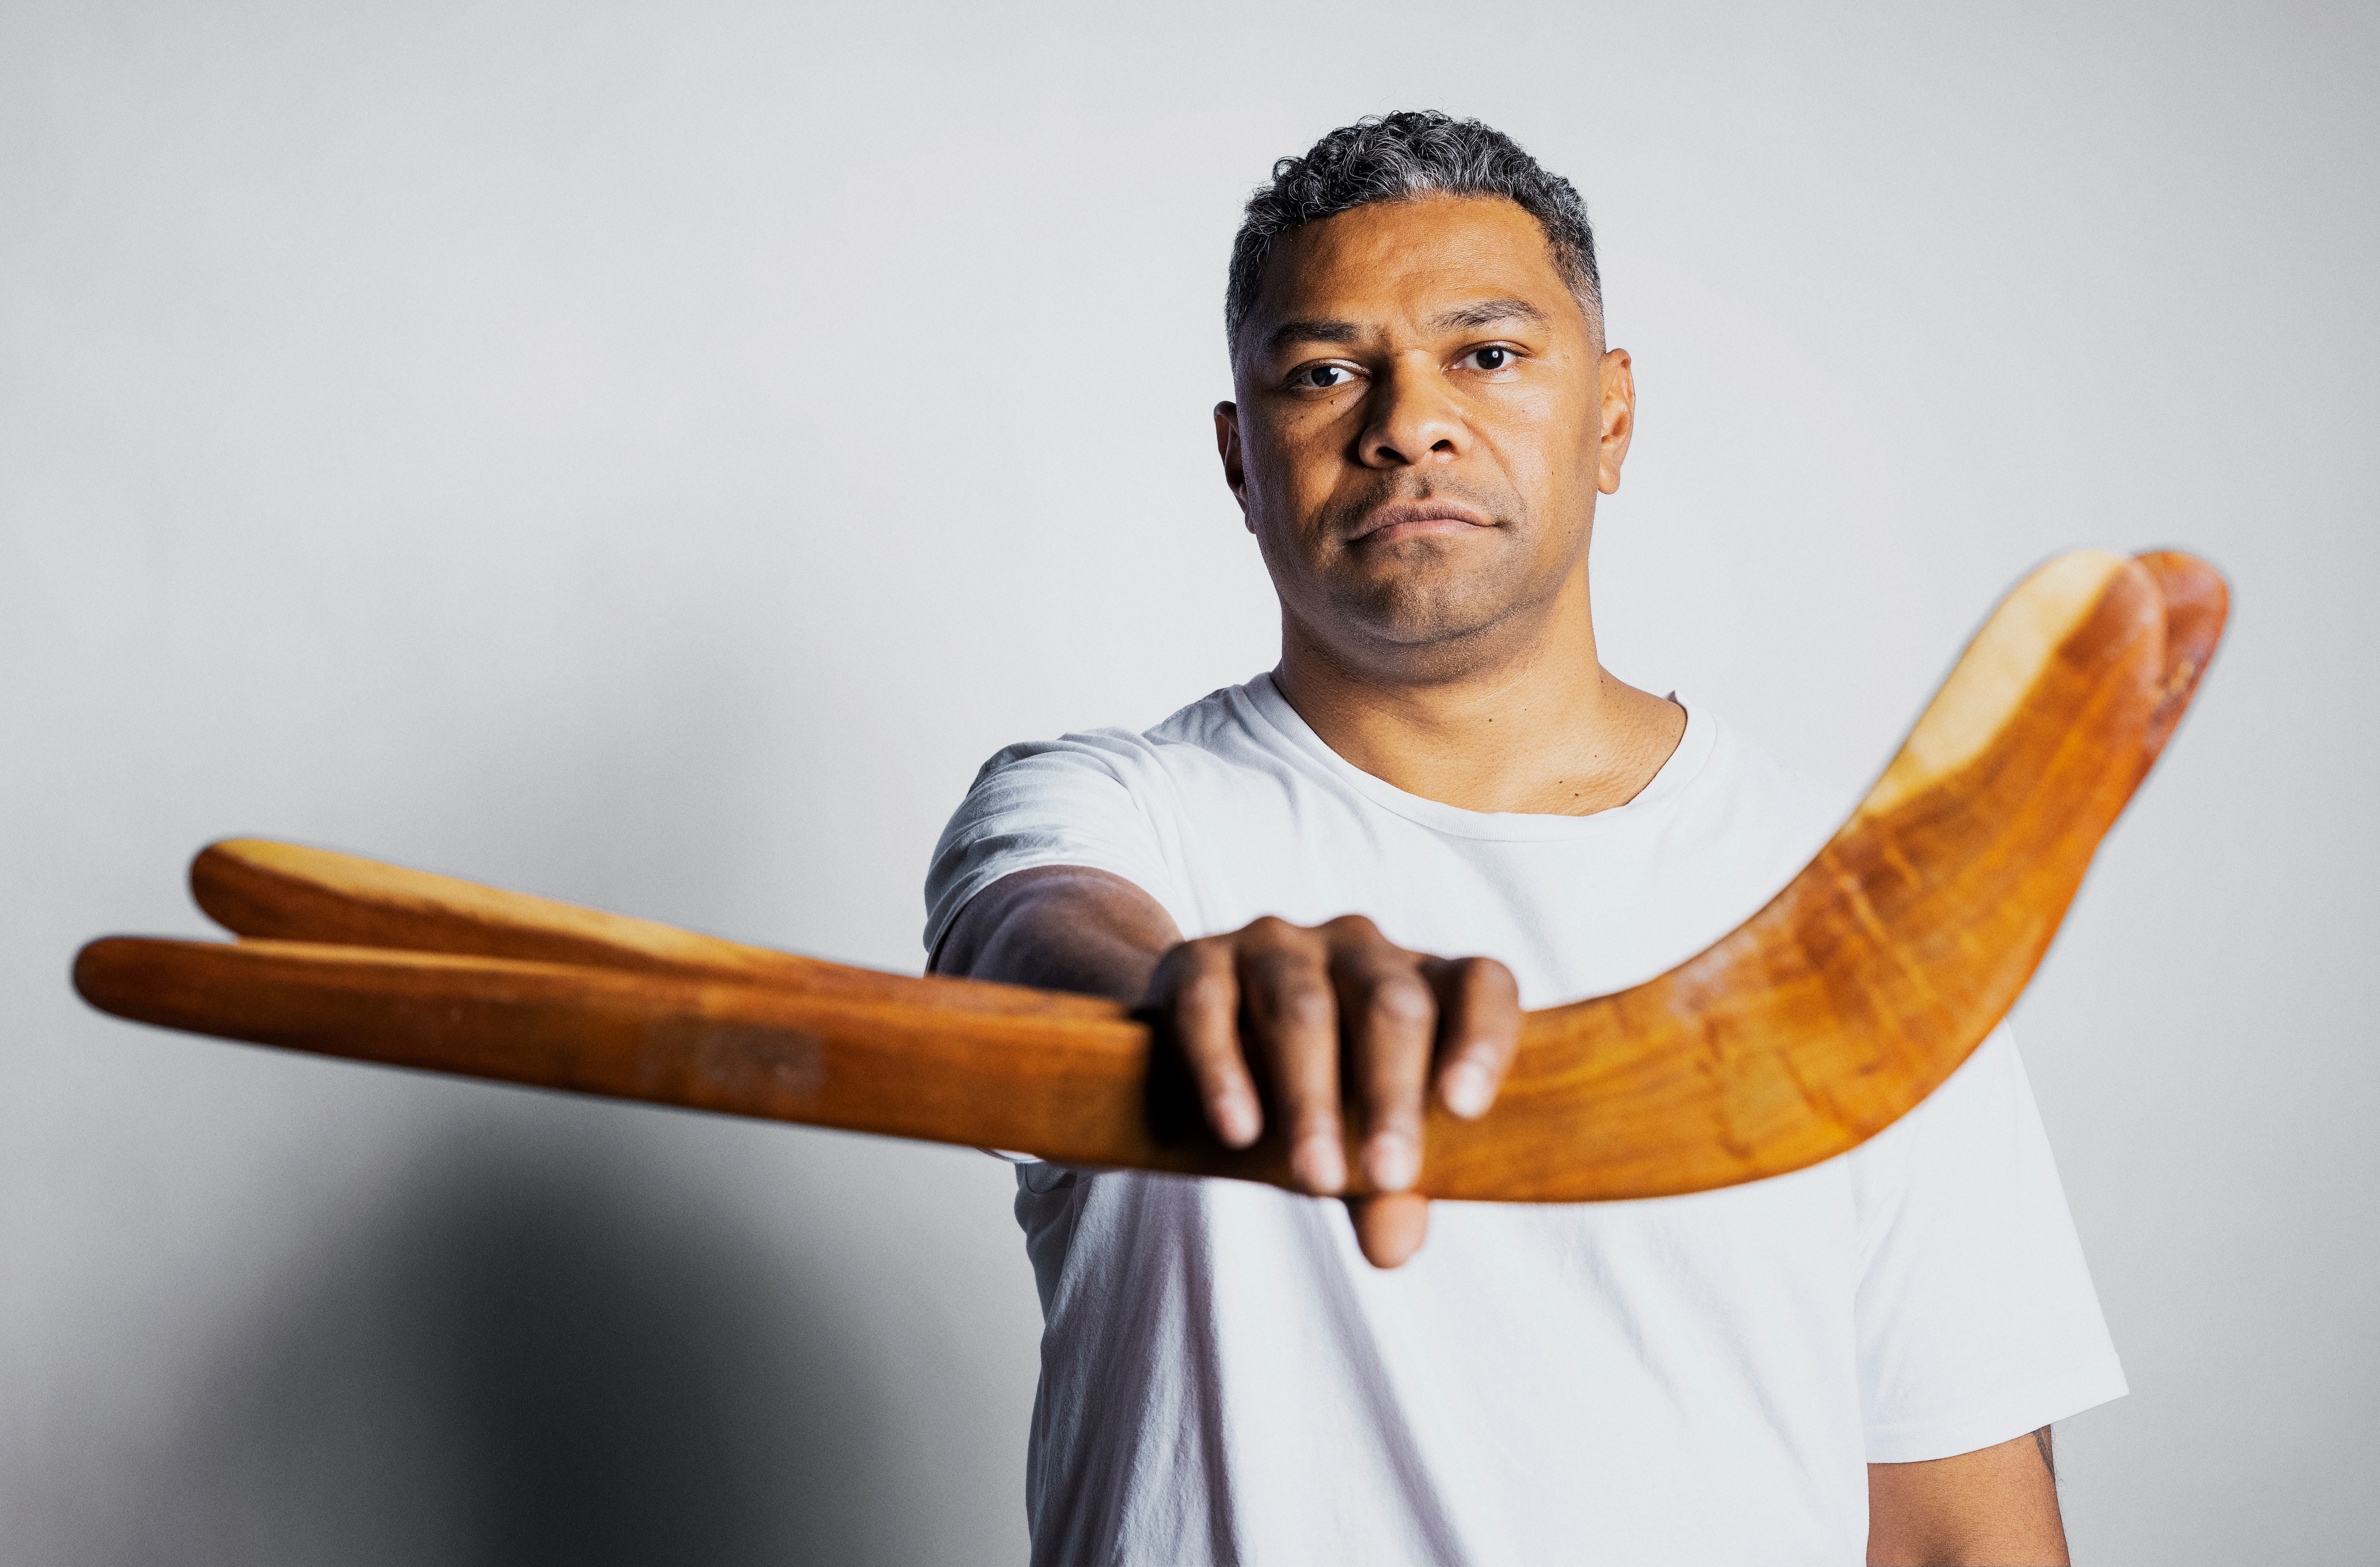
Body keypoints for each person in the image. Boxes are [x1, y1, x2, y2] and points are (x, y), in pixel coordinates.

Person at [925, 111, 2122, 1566]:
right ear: (1241, 461)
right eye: (1323, 374)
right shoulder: (1105, 810)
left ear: (1609, 418)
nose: (1405, 422)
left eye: (1485, 356)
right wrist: (1190, 997)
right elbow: (1022, 947)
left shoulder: (1852, 916)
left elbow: (1958, 1528)